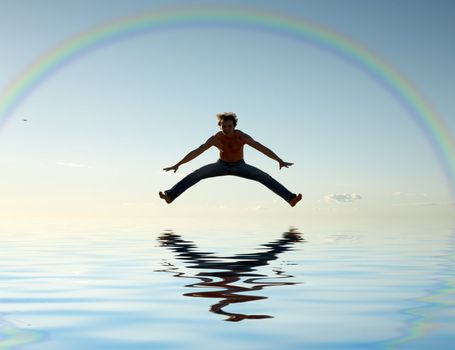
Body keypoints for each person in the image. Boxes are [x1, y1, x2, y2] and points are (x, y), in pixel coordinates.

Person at [159, 112, 302, 207]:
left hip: (240, 166)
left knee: (264, 177)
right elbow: (198, 151)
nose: (226, 129)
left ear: (234, 126)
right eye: (223, 126)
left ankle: (290, 198)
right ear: (219, 126)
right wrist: (178, 164)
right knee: (196, 174)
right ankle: (170, 195)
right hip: (221, 165)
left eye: (229, 126)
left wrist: (278, 160)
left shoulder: (242, 137)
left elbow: (260, 147)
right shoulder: (216, 138)